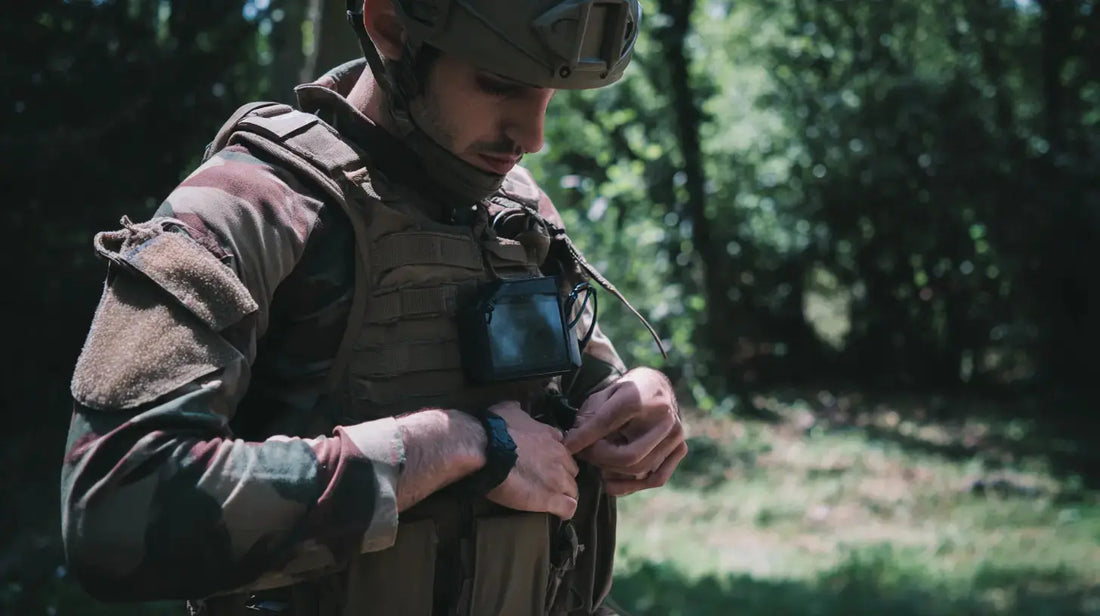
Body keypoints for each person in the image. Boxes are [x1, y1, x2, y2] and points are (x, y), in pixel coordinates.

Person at [60, 0, 687, 613]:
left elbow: (582, 391)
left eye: (550, 95)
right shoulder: (248, 207)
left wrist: (637, 401)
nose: (533, 137)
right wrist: (455, 443)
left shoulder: (513, 210)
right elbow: (115, 507)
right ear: (390, 23)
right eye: (499, 85)